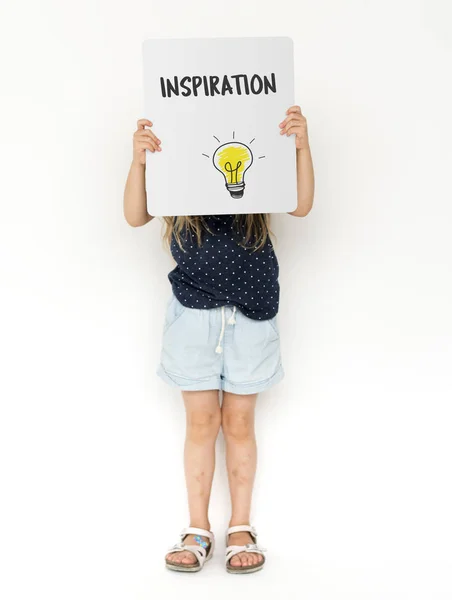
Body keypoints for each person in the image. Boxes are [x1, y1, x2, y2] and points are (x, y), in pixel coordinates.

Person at [123, 105, 315, 574]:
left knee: (240, 424)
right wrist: (140, 162)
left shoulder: (258, 181)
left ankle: (241, 525)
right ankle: (197, 527)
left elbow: (302, 203)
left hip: (252, 315)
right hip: (193, 317)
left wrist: (301, 146)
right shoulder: (177, 190)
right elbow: (134, 216)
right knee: (202, 424)